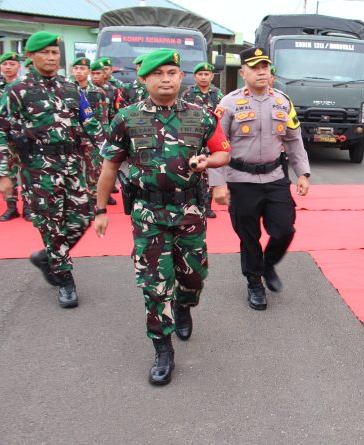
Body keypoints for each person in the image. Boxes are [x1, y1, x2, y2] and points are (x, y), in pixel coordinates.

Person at [94, 49, 231, 385]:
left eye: (172, 72)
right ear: (144, 79)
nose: (166, 79)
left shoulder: (201, 117)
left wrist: (208, 163)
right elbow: (110, 166)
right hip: (147, 214)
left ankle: (184, 305)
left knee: (194, 277)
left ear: (180, 77)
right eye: (158, 74)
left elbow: (223, 151)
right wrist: (99, 210)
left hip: (190, 212)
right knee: (155, 285)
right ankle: (162, 348)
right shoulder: (126, 118)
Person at [0, 31, 105, 308]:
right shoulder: (17, 91)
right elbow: (1, 131)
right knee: (52, 225)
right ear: (31, 57)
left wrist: (112, 153)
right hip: (38, 169)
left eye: (54, 52)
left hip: (72, 165)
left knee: (83, 217)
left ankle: (48, 258)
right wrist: (4, 175)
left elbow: (90, 124)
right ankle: (64, 278)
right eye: (44, 52)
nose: (50, 57)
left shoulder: (72, 88)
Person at [209, 47, 311, 311]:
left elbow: (293, 140)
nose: (261, 71)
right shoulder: (229, 104)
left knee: (285, 228)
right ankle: (254, 282)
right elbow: (217, 145)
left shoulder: (282, 101)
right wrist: (218, 184)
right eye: (255, 67)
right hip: (240, 180)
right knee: (249, 235)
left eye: (265, 66)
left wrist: (303, 174)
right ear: (243, 72)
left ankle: (268, 265)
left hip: (275, 177)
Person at [182, 62, 224, 219]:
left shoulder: (218, 95)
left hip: (211, 137)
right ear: (195, 76)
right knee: (192, 170)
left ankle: (207, 205)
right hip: (192, 136)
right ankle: (192, 203)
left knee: (211, 171)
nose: (204, 77)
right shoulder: (188, 94)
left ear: (212, 76)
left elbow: (221, 117)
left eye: (207, 74)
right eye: (200, 74)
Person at [70, 57, 111, 207]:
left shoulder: (97, 92)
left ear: (88, 71)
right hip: (73, 137)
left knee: (94, 170)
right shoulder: (67, 89)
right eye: (76, 69)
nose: (79, 72)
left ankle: (94, 199)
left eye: (82, 69)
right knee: (74, 169)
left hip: (91, 137)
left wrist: (103, 138)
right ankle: (78, 199)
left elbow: (103, 116)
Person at [0, 51, 30, 221]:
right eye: (5, 64)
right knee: (8, 173)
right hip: (5, 138)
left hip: (23, 136)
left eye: (12, 64)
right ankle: (11, 207)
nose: (9, 67)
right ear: (0, 67)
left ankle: (27, 207)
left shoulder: (24, 86)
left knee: (27, 172)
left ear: (19, 66)